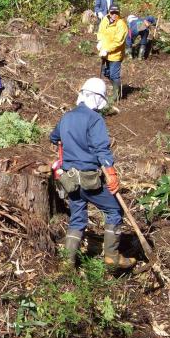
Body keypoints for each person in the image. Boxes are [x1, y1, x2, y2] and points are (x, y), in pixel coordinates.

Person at [49, 78, 135, 269]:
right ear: (98, 99)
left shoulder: (66, 117)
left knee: (77, 217)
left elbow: (54, 137)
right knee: (114, 210)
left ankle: (67, 262)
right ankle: (112, 257)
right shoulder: (95, 119)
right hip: (88, 178)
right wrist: (111, 173)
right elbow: (101, 149)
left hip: (70, 180)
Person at [97, 4, 127, 101]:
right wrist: (100, 41)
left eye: (116, 13)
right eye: (112, 13)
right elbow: (100, 31)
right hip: (105, 52)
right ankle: (115, 87)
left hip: (115, 55)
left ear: (119, 13)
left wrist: (107, 49)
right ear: (109, 13)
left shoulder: (121, 24)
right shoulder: (105, 19)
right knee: (105, 72)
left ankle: (116, 95)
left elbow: (118, 41)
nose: (114, 15)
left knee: (114, 75)